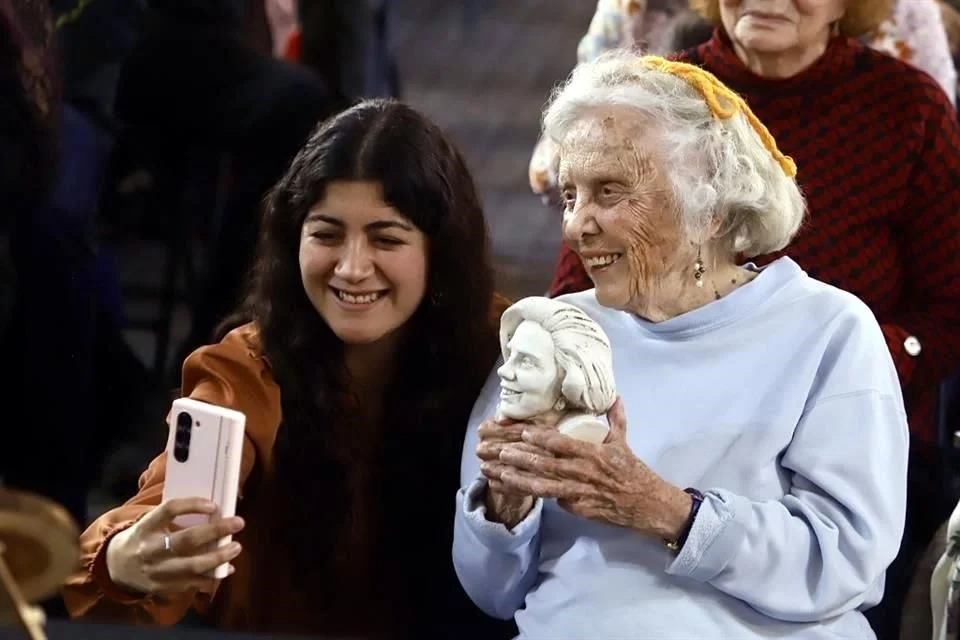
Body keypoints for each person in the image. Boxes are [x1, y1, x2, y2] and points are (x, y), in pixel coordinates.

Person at [454, 54, 909, 639]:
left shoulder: (827, 330)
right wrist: (506, 506)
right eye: (570, 196)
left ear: (711, 202)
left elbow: (843, 562)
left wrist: (665, 509)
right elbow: (491, 593)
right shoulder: (553, 334)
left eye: (609, 192)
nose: (576, 226)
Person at [545, 5, 960, 634]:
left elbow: (949, 300)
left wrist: (855, 371)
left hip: (861, 414)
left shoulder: (907, 108)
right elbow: (588, 276)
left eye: (611, 192)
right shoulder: (649, 102)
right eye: (575, 196)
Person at [62, 99, 514, 639]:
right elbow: (167, 510)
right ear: (292, 237)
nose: (351, 267)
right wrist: (124, 559)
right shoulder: (246, 370)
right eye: (325, 233)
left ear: (439, 251)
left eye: (386, 238)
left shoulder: (505, 347)